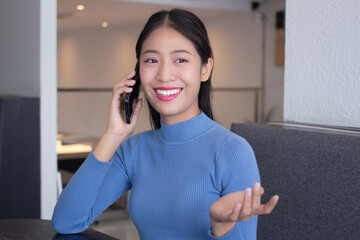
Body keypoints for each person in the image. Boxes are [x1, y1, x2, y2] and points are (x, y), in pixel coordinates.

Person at [52, 8, 279, 239]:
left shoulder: (233, 152)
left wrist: (221, 229)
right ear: (138, 72)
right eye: (151, 60)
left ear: (205, 69)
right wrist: (113, 134)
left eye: (180, 59)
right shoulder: (134, 151)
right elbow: (67, 222)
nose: (164, 74)